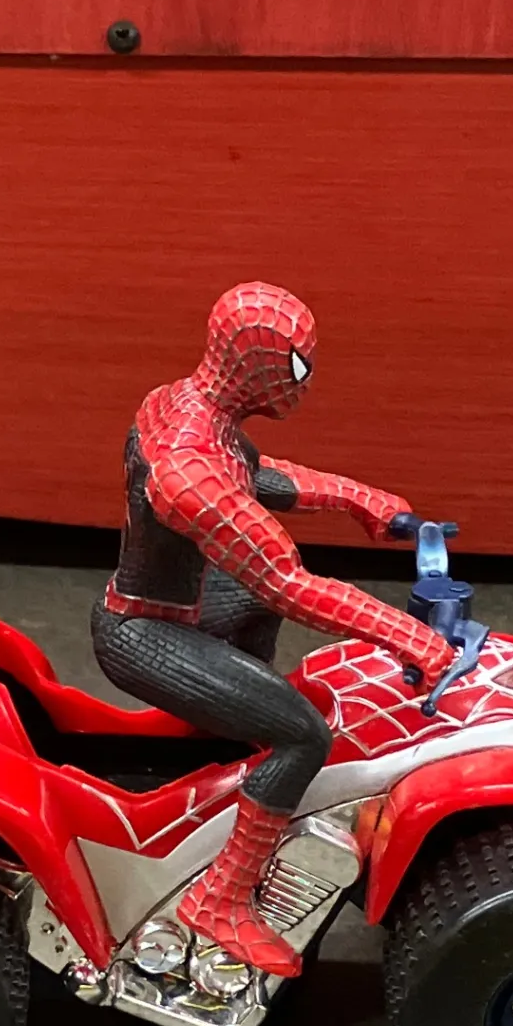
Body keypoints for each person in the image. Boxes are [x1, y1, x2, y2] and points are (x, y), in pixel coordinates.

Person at [91, 281, 455, 978]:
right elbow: (284, 581)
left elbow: (258, 477)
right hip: (143, 634)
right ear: (251, 364)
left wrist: (361, 499)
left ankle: (238, 762)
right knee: (304, 736)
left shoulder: (186, 407)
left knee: (256, 616)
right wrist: (409, 637)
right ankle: (219, 899)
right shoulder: (187, 466)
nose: (304, 384)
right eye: (295, 367)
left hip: (177, 606)